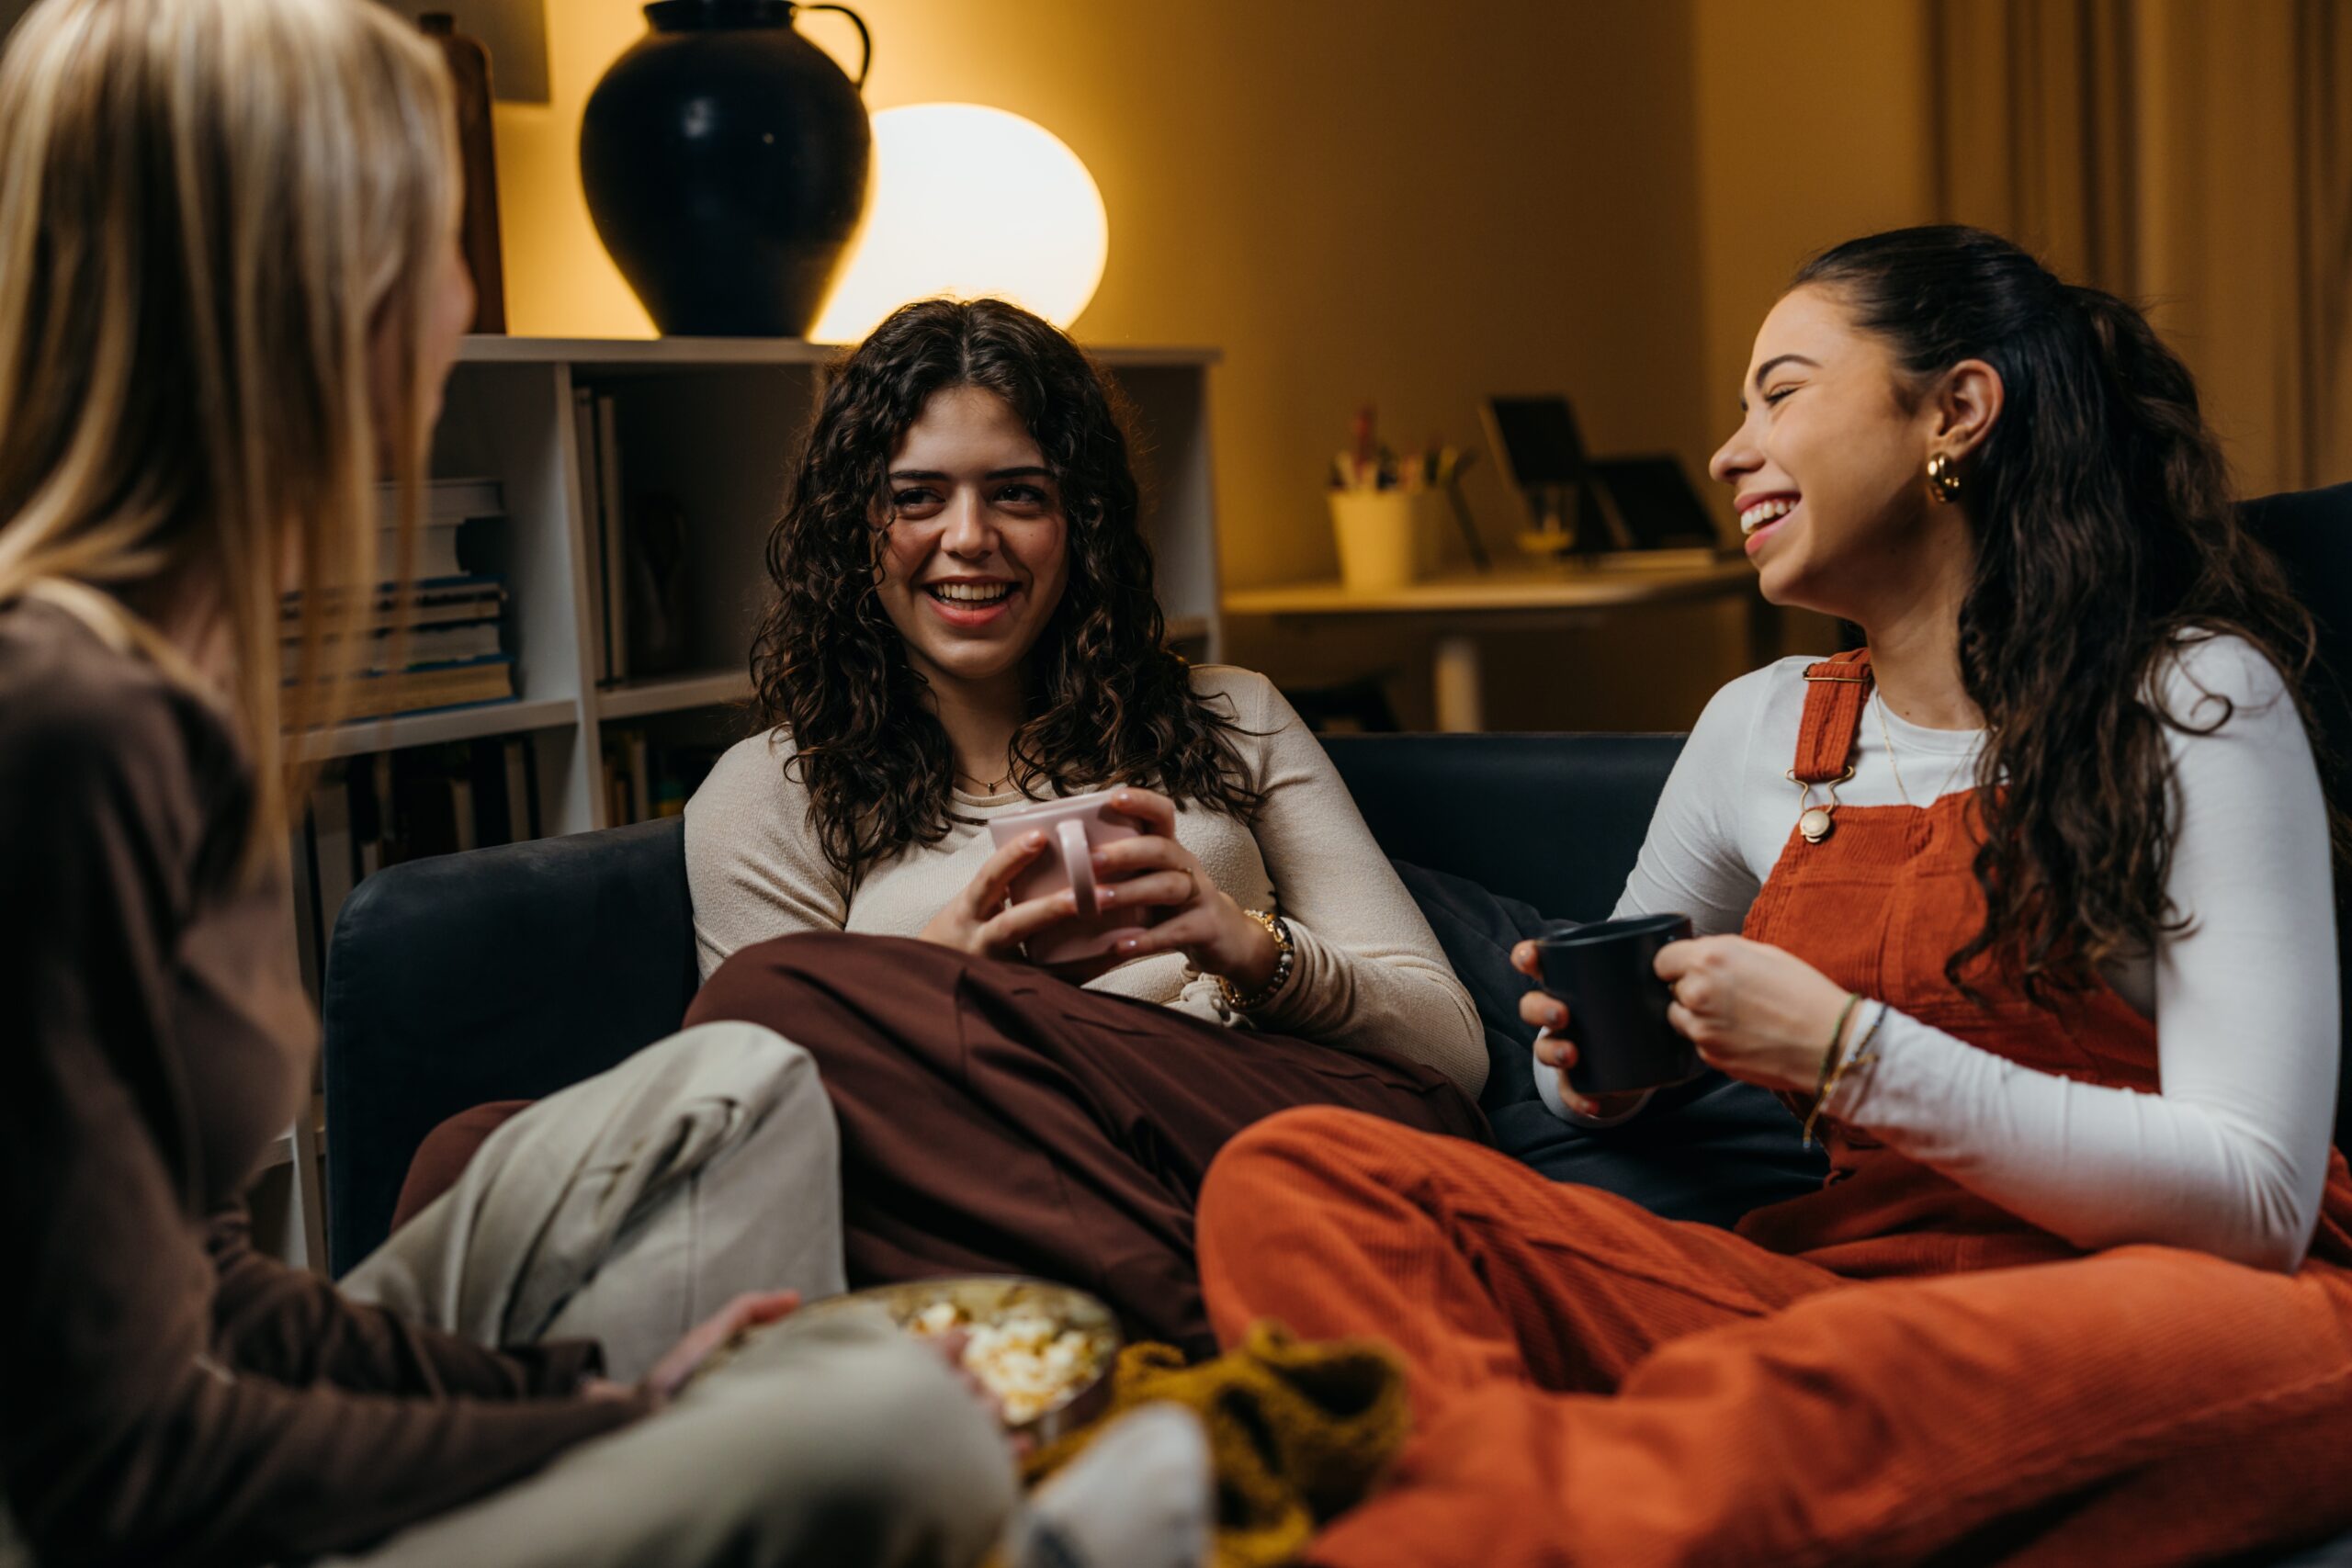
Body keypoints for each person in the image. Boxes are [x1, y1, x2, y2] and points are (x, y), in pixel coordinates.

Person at [0, 6, 1200, 1567]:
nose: (455, 293)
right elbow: (121, 1473)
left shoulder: (158, 684)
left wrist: (572, 1396)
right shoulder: (62, 729)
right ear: (301, 289)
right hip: (132, 1509)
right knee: (890, 1420)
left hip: (202, 1414)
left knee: (746, 1077)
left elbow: (210, 1294)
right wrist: (634, 1433)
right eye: (431, 237)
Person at [1193, 225, 2352, 1565]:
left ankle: (1473, 1517)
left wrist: (1848, 1055)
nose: (1730, 448)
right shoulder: (1758, 727)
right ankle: (1545, 1501)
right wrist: (1615, 1070)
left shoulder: (2189, 698)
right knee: (1301, 1175)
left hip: (2185, 1309)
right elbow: (1608, 1039)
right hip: (1825, 1295)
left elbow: (2254, 1195)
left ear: (1956, 410)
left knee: (1818, 1391)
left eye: (1780, 391)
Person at [682, 298, 1490, 1356]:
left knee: (771, 1000)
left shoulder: (1230, 713)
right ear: (854, 526)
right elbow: (762, 1140)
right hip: (1003, 1185)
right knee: (518, 1131)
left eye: (1018, 495)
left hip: (1273, 1122)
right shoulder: (767, 791)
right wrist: (936, 991)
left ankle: (1167, 1335)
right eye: (915, 498)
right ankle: (1208, 1326)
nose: (967, 541)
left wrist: (1242, 944)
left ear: (1082, 519)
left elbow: (1452, 1055)